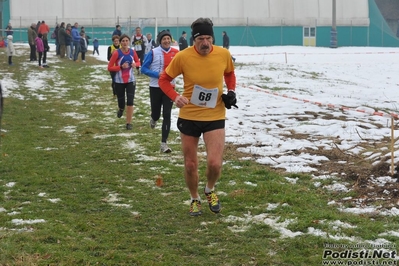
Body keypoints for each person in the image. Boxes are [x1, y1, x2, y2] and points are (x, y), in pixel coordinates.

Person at [159, 18, 237, 216]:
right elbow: (164, 79)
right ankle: (195, 198)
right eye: (200, 38)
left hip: (215, 114)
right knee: (190, 164)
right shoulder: (182, 57)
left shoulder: (223, 54)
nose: (205, 42)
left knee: (215, 163)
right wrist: (175, 97)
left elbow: (229, 73)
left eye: (208, 38)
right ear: (194, 40)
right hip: (190, 116)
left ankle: (209, 189)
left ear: (213, 39)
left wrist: (231, 91)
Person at [141, 30, 179, 153]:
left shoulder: (176, 53)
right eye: (164, 39)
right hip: (155, 87)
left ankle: (164, 144)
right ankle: (153, 118)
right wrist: (157, 74)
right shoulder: (153, 52)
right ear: (160, 41)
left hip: (170, 87)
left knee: (167, 114)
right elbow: (143, 69)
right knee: (156, 114)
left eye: (168, 39)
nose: (167, 41)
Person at [107, 34, 140, 130]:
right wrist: (121, 67)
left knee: (130, 101)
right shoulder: (116, 53)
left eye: (126, 41)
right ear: (120, 42)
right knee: (121, 102)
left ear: (129, 42)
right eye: (123, 41)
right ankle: (121, 109)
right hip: (119, 81)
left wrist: (135, 64)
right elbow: (109, 67)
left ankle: (128, 123)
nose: (125, 43)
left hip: (131, 80)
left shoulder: (132, 52)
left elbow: (138, 62)